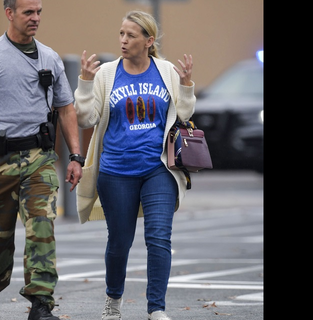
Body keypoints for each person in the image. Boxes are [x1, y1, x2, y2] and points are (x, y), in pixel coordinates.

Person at [0, 1, 83, 319]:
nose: (35, 18)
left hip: (38, 158)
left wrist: (76, 156)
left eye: (39, 12)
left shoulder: (50, 57)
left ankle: (41, 304)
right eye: (28, 13)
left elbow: (66, 109)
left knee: (41, 226)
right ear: (9, 13)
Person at [74, 10, 196, 320]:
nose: (123, 40)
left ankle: (156, 308)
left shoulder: (166, 71)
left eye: (130, 35)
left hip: (158, 169)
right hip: (116, 171)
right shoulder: (107, 74)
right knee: (119, 243)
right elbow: (86, 118)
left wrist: (186, 86)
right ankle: (113, 301)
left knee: (158, 237)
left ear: (148, 41)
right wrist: (85, 85)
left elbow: (182, 114)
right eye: (121, 34)